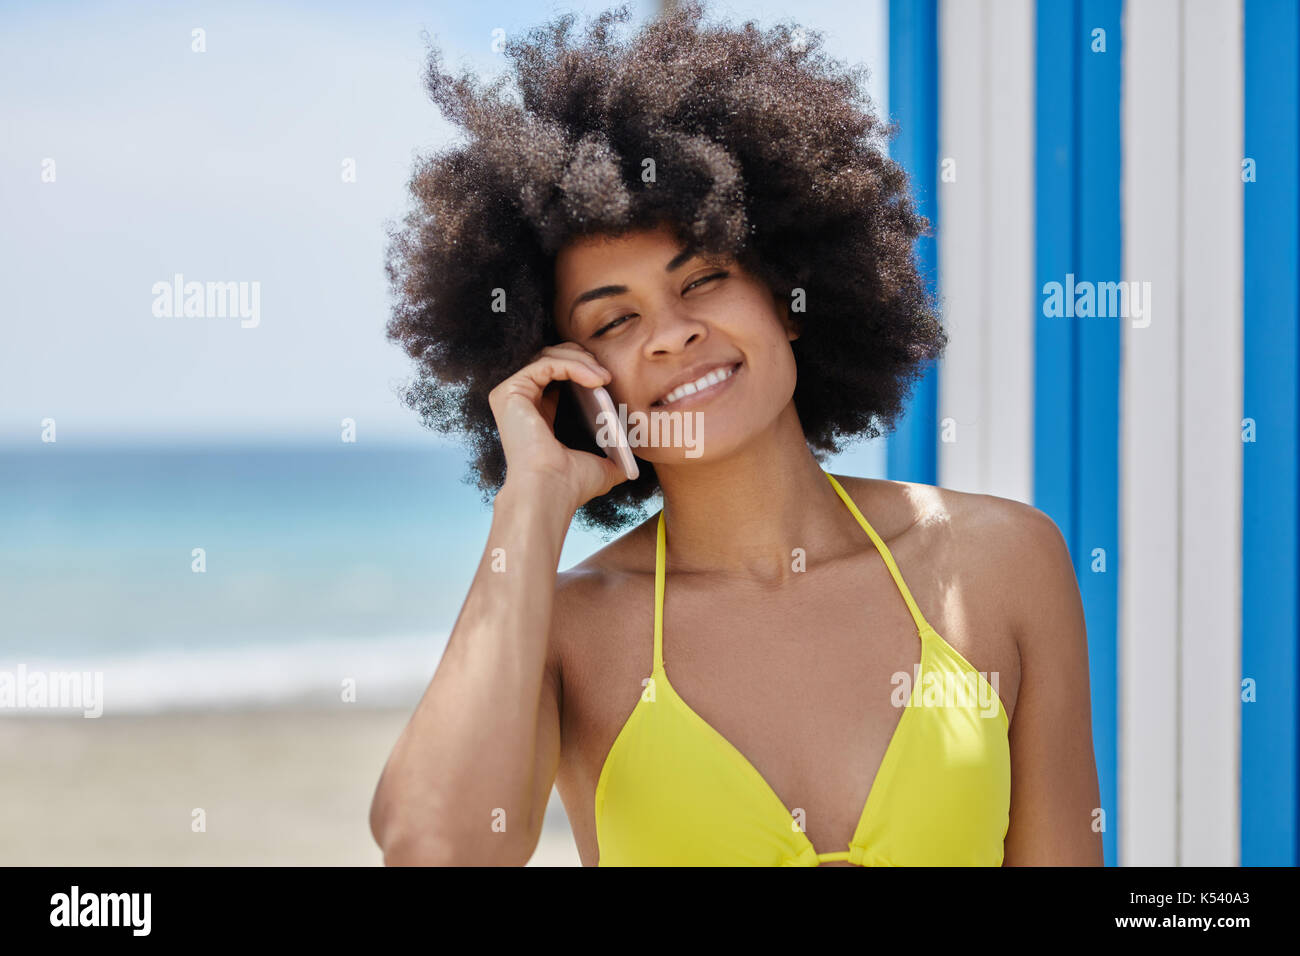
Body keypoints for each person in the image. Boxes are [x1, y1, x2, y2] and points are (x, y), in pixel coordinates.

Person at [370, 1, 1103, 866]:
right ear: (571, 374)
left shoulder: (1002, 561)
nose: (672, 333)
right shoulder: (569, 630)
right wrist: (530, 503)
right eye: (613, 322)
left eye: (705, 279)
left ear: (789, 296)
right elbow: (434, 846)